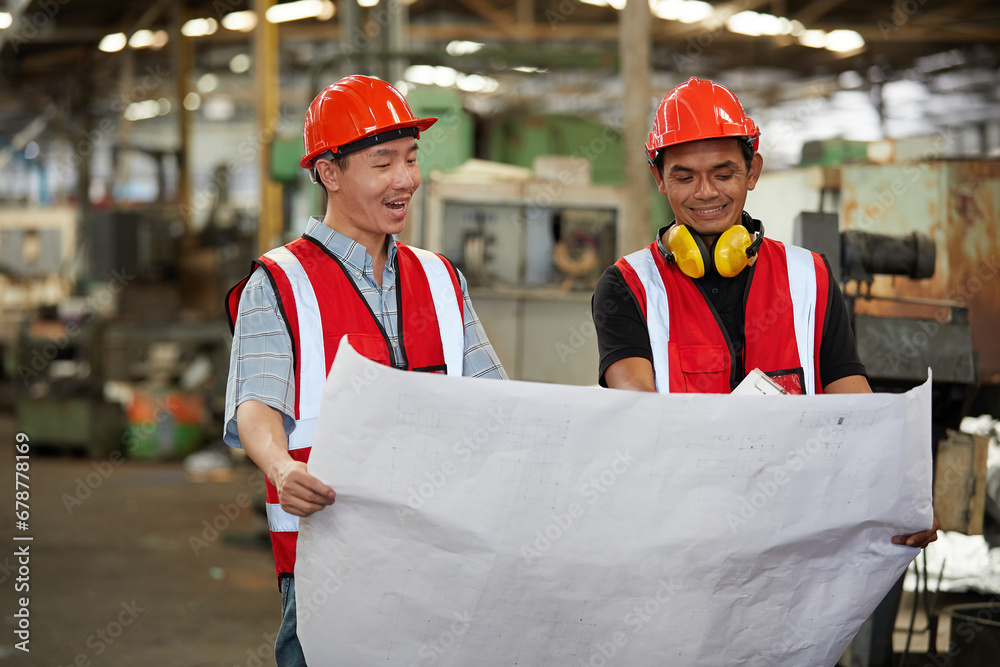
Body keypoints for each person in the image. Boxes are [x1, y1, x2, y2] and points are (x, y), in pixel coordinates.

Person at [223, 75, 507, 665]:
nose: (406, 179)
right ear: (329, 172)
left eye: (411, 159)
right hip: (329, 561)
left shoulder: (441, 279)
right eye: (383, 162)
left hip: (443, 556)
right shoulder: (279, 283)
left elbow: (496, 405)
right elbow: (256, 402)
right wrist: (279, 467)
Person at [591, 76, 938, 536]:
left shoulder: (809, 277)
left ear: (752, 171)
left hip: (796, 533)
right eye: (684, 176)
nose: (706, 192)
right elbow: (636, 413)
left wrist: (897, 493)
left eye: (723, 172)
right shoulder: (628, 287)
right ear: (660, 179)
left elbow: (853, 405)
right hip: (679, 531)